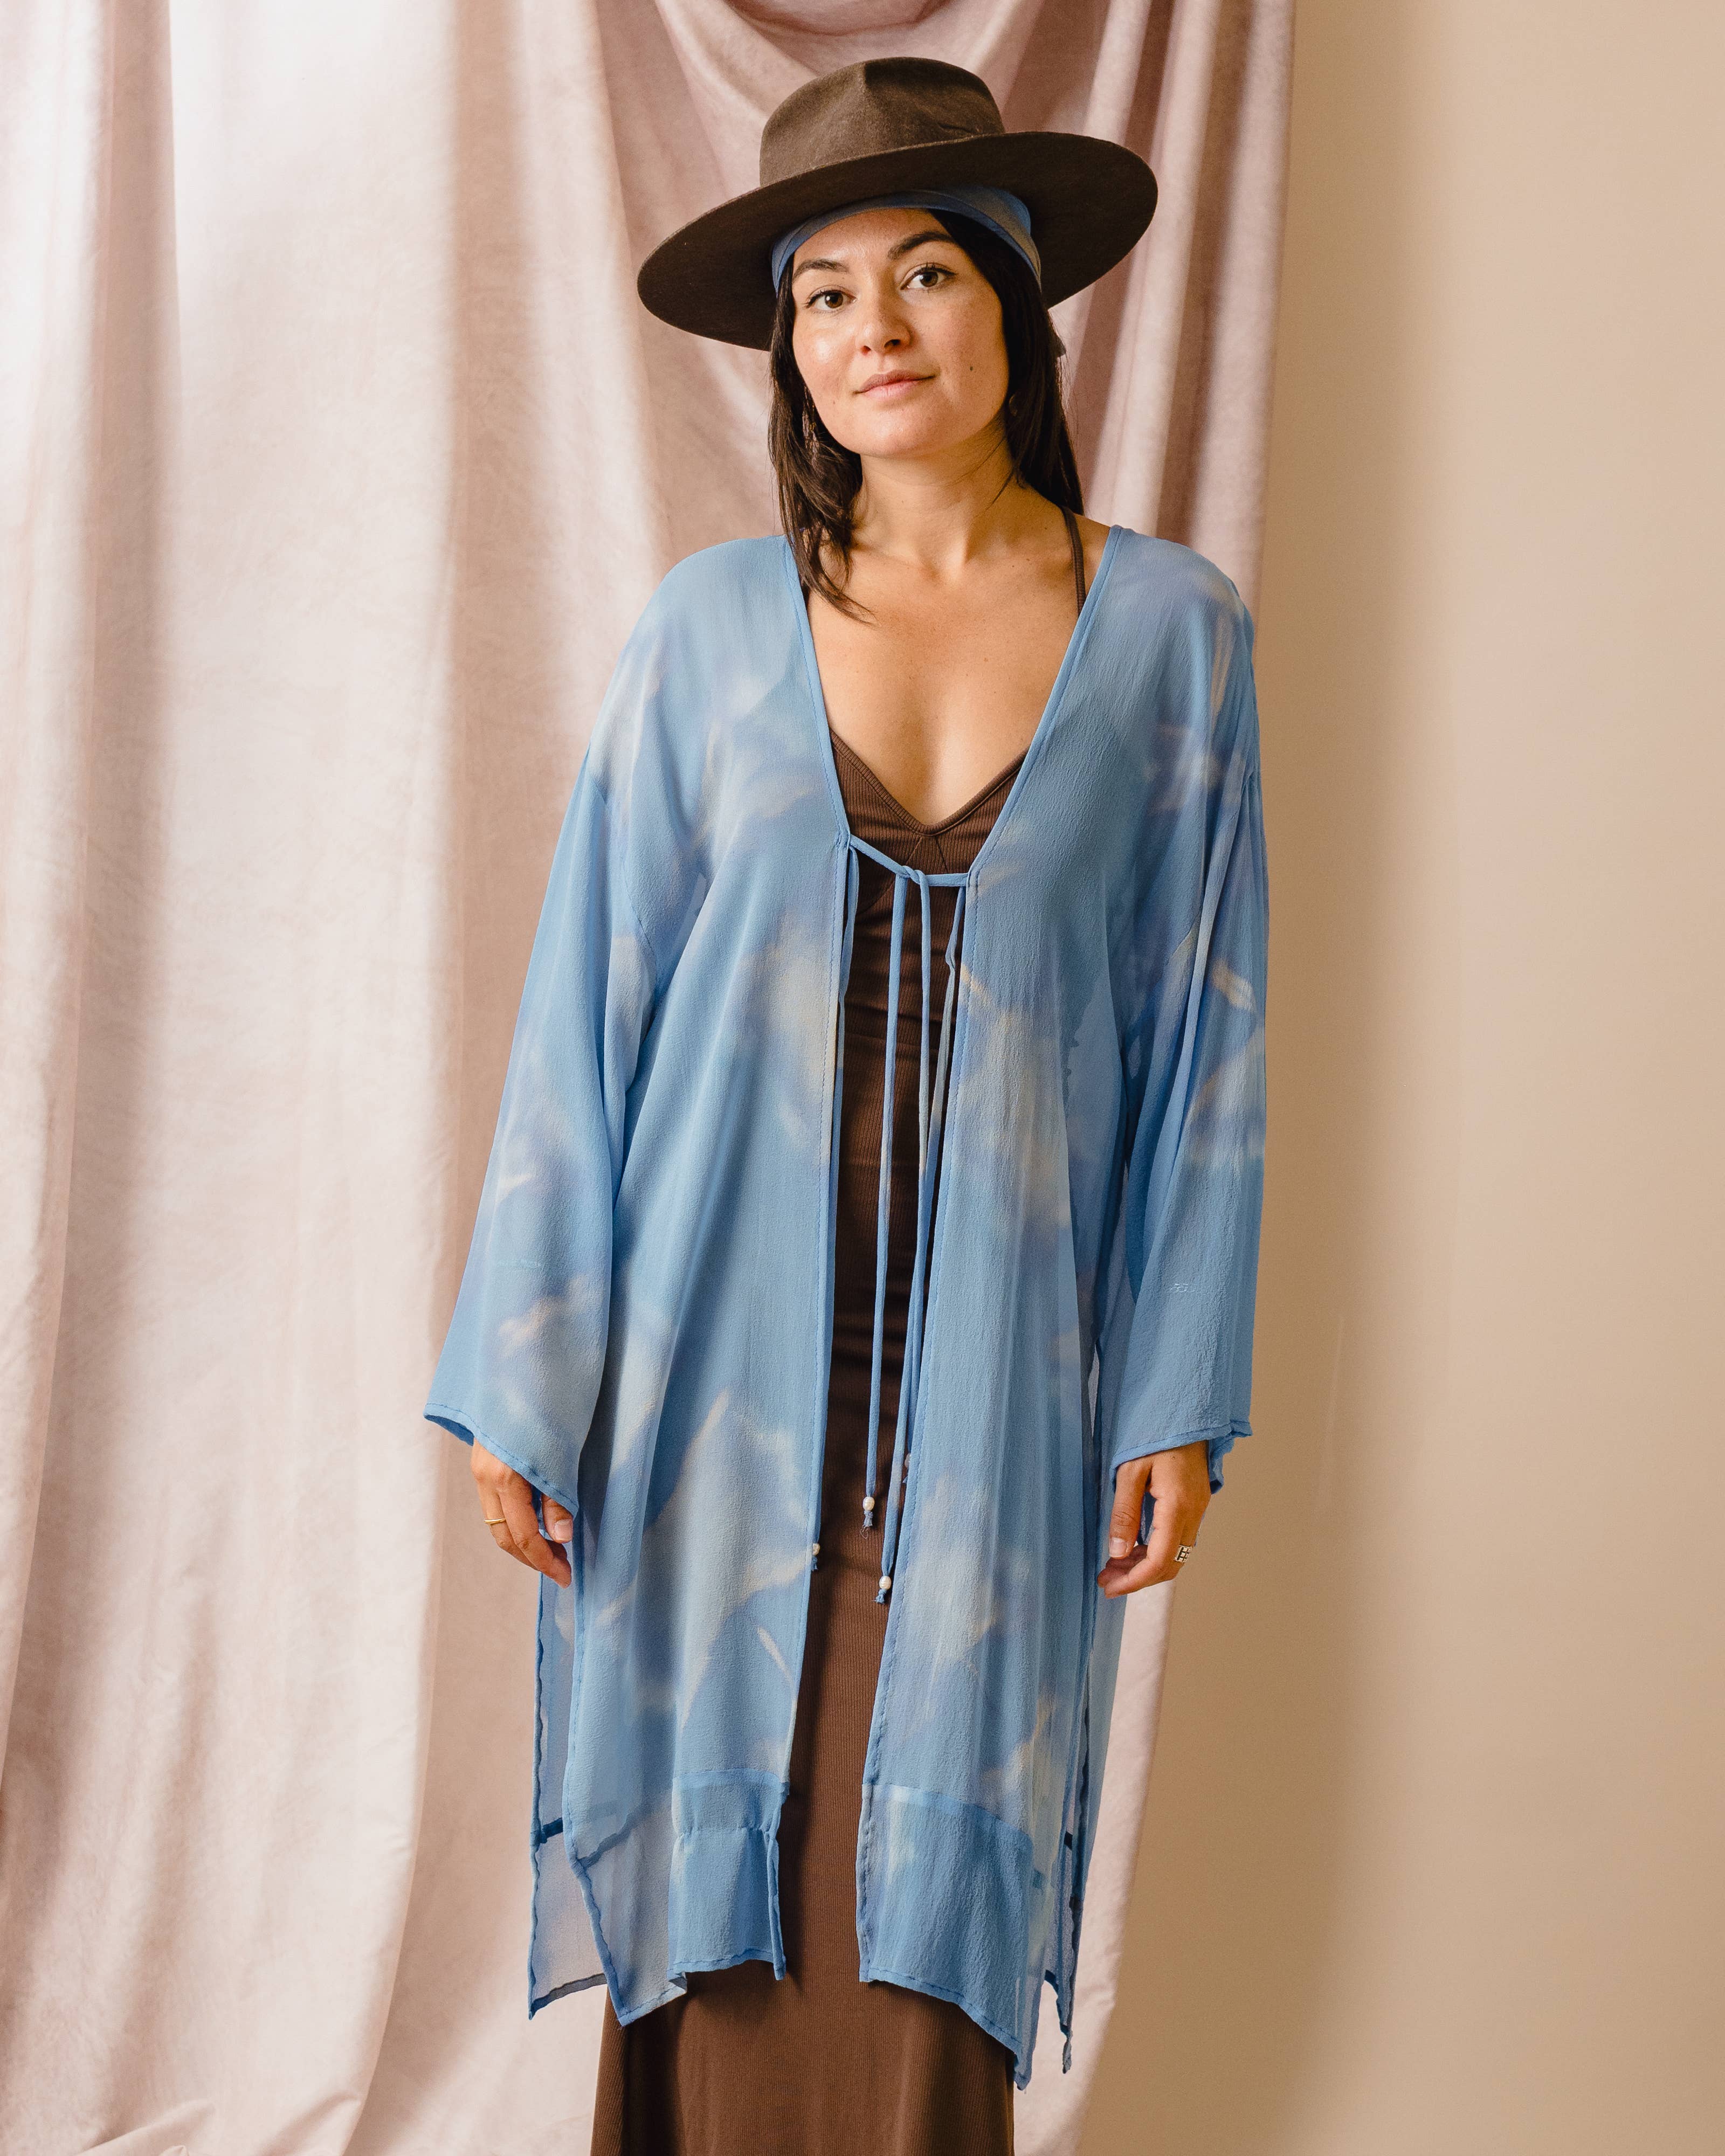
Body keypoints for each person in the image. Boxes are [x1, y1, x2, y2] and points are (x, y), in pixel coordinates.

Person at [424, 55, 1268, 2156]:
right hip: (702, 1376)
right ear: (790, 351)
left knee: (925, 1906)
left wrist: (1173, 1389)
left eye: (923, 274)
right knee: (720, 1897)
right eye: (820, 294)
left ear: (1015, 302)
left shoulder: (1167, 631)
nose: (870, 327)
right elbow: (584, 1018)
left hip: (1001, 1373)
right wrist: (528, 1368)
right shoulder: (708, 628)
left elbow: (1205, 1041)